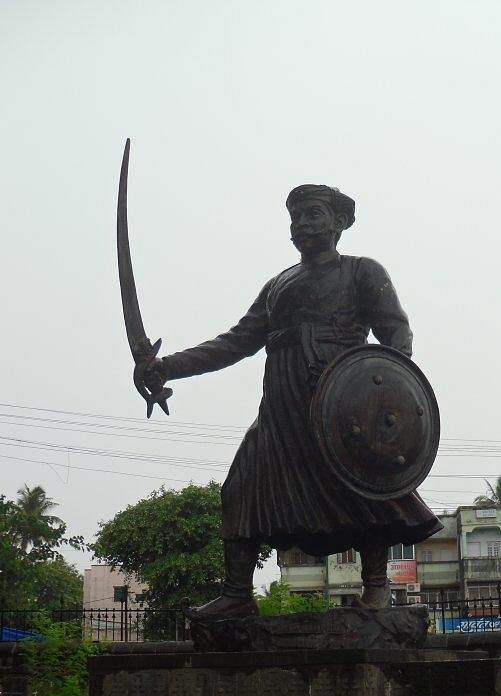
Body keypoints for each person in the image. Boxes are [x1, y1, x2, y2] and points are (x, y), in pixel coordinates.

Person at [143, 184, 442, 621]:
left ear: (339, 222)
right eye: (296, 216)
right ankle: (237, 594)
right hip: (281, 408)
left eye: (313, 213)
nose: (302, 223)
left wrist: (381, 403)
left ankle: (376, 587)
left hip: (339, 406)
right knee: (240, 488)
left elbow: (397, 339)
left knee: (365, 490)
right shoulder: (278, 285)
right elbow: (235, 342)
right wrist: (168, 366)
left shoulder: (362, 272)